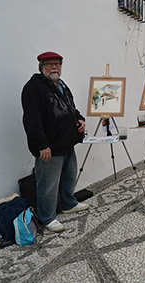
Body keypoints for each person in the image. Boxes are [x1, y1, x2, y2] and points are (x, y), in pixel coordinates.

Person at [22, 51, 89, 233]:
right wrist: (41, 145)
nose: (54, 67)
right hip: (49, 147)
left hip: (67, 143)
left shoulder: (61, 85)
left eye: (57, 64)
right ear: (41, 67)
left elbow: (71, 108)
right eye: (49, 64)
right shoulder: (34, 87)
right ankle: (47, 217)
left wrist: (80, 119)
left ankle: (68, 203)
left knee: (68, 178)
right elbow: (32, 120)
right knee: (48, 185)